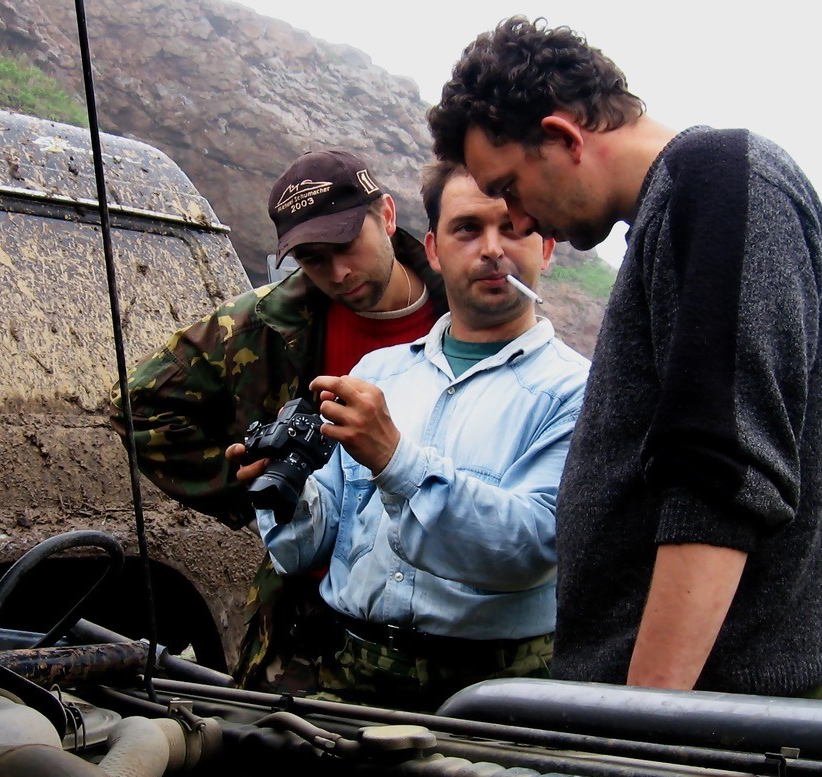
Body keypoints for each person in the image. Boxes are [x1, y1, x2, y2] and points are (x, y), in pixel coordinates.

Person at [427, 16, 822, 697]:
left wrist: (643, 723)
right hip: (692, 718)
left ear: (563, 137)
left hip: (696, 729)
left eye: (509, 188)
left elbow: (721, 478)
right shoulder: (686, 205)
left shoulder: (714, 184)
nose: (522, 220)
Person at [226, 160, 589, 709]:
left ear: (548, 249)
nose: (492, 248)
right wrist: (287, 491)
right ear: (435, 249)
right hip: (351, 671)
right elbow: (314, 542)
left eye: (513, 227)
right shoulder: (377, 373)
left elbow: (534, 545)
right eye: (468, 229)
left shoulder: (580, 392)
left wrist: (395, 460)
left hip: (496, 693)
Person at [112, 149, 448, 685]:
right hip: (307, 619)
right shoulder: (268, 323)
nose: (337, 272)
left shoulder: (465, 313)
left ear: (386, 214)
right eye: (314, 259)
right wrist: (255, 492)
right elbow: (140, 405)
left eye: (345, 245)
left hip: (445, 620)